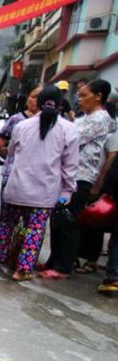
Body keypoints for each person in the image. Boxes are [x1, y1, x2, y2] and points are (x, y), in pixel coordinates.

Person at [0, 86, 78, 281]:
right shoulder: (68, 129)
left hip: (17, 186)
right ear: (61, 104)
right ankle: (22, 270)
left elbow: (11, 151)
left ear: (38, 103)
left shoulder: (22, 126)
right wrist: (68, 191)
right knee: (35, 230)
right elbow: (70, 166)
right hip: (44, 192)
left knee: (6, 225)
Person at [74, 80, 117, 275]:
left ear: (98, 96)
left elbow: (111, 156)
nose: (79, 99)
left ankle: (87, 260)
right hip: (77, 174)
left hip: (88, 176)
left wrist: (99, 184)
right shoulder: (86, 117)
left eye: (84, 95)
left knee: (90, 220)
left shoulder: (101, 120)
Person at [0, 85, 41, 189]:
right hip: (12, 176)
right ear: (27, 98)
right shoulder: (16, 119)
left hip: (35, 180)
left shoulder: (49, 123)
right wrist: (12, 159)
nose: (36, 101)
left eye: (40, 98)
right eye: (34, 96)